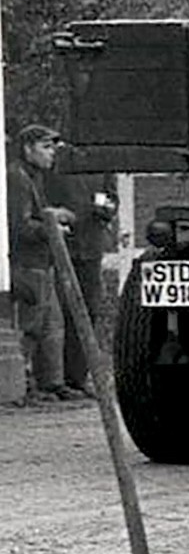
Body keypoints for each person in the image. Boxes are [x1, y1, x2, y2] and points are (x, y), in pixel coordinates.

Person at [7, 123, 82, 402]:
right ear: (28, 149)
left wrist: (54, 213)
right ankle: (23, 385)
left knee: (51, 323)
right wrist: (51, 228)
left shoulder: (33, 176)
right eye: (45, 147)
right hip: (27, 262)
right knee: (31, 325)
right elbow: (20, 224)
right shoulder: (18, 178)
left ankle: (51, 382)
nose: (52, 153)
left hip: (41, 261)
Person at [47, 162, 116, 394]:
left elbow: (112, 200)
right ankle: (55, 378)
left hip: (92, 248)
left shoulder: (103, 168)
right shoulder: (56, 166)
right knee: (61, 312)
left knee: (89, 310)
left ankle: (78, 377)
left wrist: (106, 209)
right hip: (63, 247)